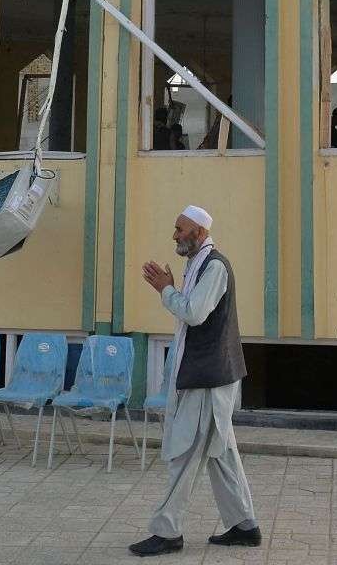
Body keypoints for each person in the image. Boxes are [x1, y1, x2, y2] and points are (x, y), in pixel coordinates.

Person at [130, 205, 259, 557]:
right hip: (210, 374)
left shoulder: (214, 265)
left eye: (180, 229)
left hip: (208, 378)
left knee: (187, 451)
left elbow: (194, 313)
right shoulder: (198, 263)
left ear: (199, 233)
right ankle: (245, 525)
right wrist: (171, 288)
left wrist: (166, 290)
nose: (174, 235)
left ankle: (167, 531)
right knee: (221, 453)